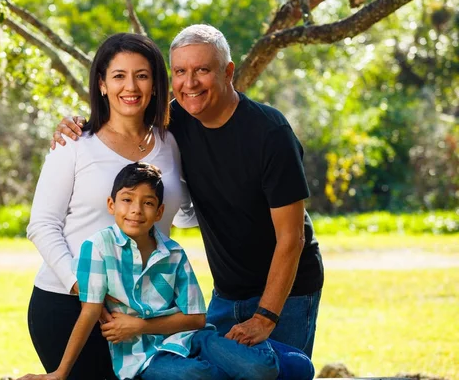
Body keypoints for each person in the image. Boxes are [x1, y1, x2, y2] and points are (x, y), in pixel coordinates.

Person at [52, 24, 324, 357]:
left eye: (202, 70)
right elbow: (122, 115)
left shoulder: (271, 132)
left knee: (282, 370)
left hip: (287, 293)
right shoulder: (175, 121)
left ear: (228, 72)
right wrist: (76, 123)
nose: (189, 83)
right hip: (226, 292)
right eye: (180, 71)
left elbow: (291, 238)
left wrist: (266, 316)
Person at [18, 162, 314, 380]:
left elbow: (197, 318)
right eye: (127, 199)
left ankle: (268, 357)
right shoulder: (97, 248)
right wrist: (59, 374)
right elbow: (89, 312)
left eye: (147, 203)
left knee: (262, 368)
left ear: (159, 212)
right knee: (198, 377)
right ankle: (239, 364)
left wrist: (140, 325)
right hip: (144, 358)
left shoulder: (173, 253)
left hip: (193, 339)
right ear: (111, 204)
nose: (136, 210)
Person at [25, 33, 197, 379]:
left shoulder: (171, 142)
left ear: (155, 85)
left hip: (145, 314)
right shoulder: (73, 145)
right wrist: (88, 290)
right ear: (102, 84)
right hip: (70, 305)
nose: (130, 86)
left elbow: (183, 212)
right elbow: (42, 225)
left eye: (142, 75)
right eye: (118, 75)